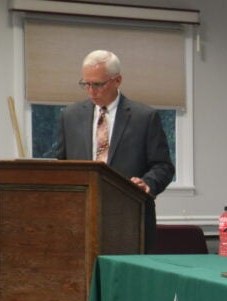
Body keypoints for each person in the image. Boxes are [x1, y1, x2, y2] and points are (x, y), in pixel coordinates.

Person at [54, 50, 175, 251]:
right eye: (86, 84)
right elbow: (62, 164)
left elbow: (163, 166)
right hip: (80, 219)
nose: (91, 91)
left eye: (98, 84)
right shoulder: (70, 115)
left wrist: (147, 184)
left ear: (117, 80)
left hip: (129, 219)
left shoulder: (144, 117)